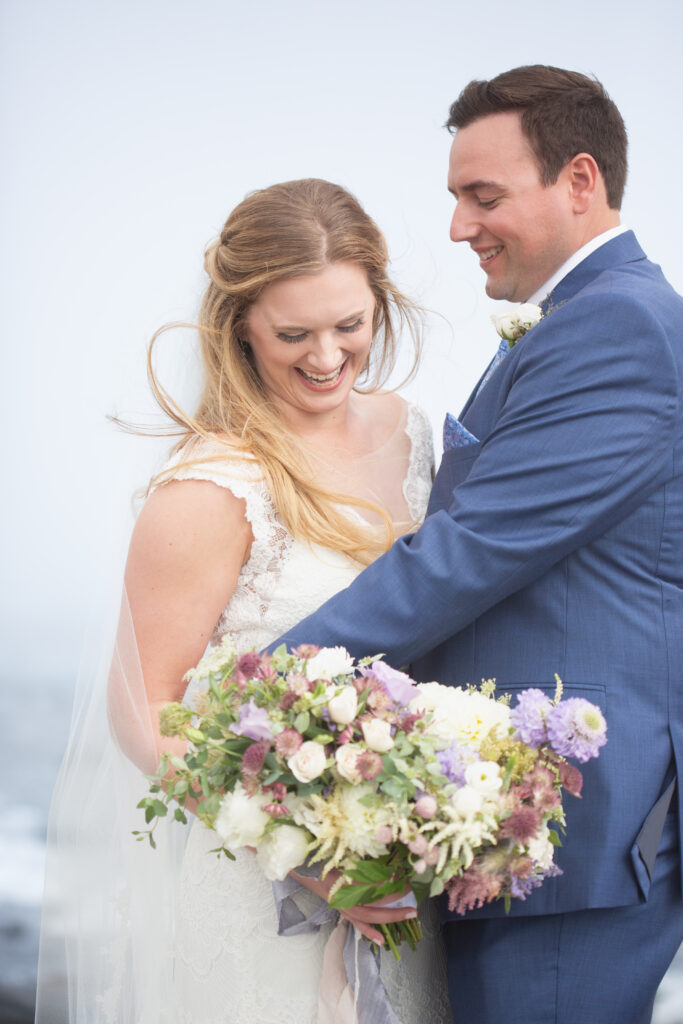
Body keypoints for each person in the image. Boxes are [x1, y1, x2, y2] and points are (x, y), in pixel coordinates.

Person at [274, 67, 683, 1023]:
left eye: (483, 196)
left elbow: (475, 548)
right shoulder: (588, 318)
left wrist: (271, 677)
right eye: (458, 198)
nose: (459, 226)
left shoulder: (619, 326)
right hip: (521, 826)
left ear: (579, 181)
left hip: (575, 835)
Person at [36, 177, 451, 1023]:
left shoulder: (414, 434)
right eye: (292, 333)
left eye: (351, 325)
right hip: (263, 897)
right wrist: (300, 849)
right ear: (240, 327)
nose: (327, 356)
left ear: (381, 302)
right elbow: (143, 711)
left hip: (407, 878)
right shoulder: (209, 486)